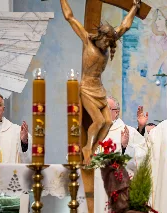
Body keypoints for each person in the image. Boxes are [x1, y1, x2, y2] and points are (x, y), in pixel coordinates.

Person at [60, 0, 141, 164]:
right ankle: (87, 148)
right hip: (87, 88)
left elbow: (124, 26)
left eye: (109, 43)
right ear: (100, 36)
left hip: (99, 88)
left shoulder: (109, 40)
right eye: (105, 41)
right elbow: (69, 17)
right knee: (99, 121)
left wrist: (135, 7)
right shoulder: (87, 40)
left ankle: (94, 148)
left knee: (108, 122)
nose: (106, 45)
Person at [93, 96, 147, 213]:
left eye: (105, 109)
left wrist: (125, 147)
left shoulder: (128, 131)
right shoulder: (93, 130)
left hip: (117, 193)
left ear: (115, 112)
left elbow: (143, 156)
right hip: (95, 192)